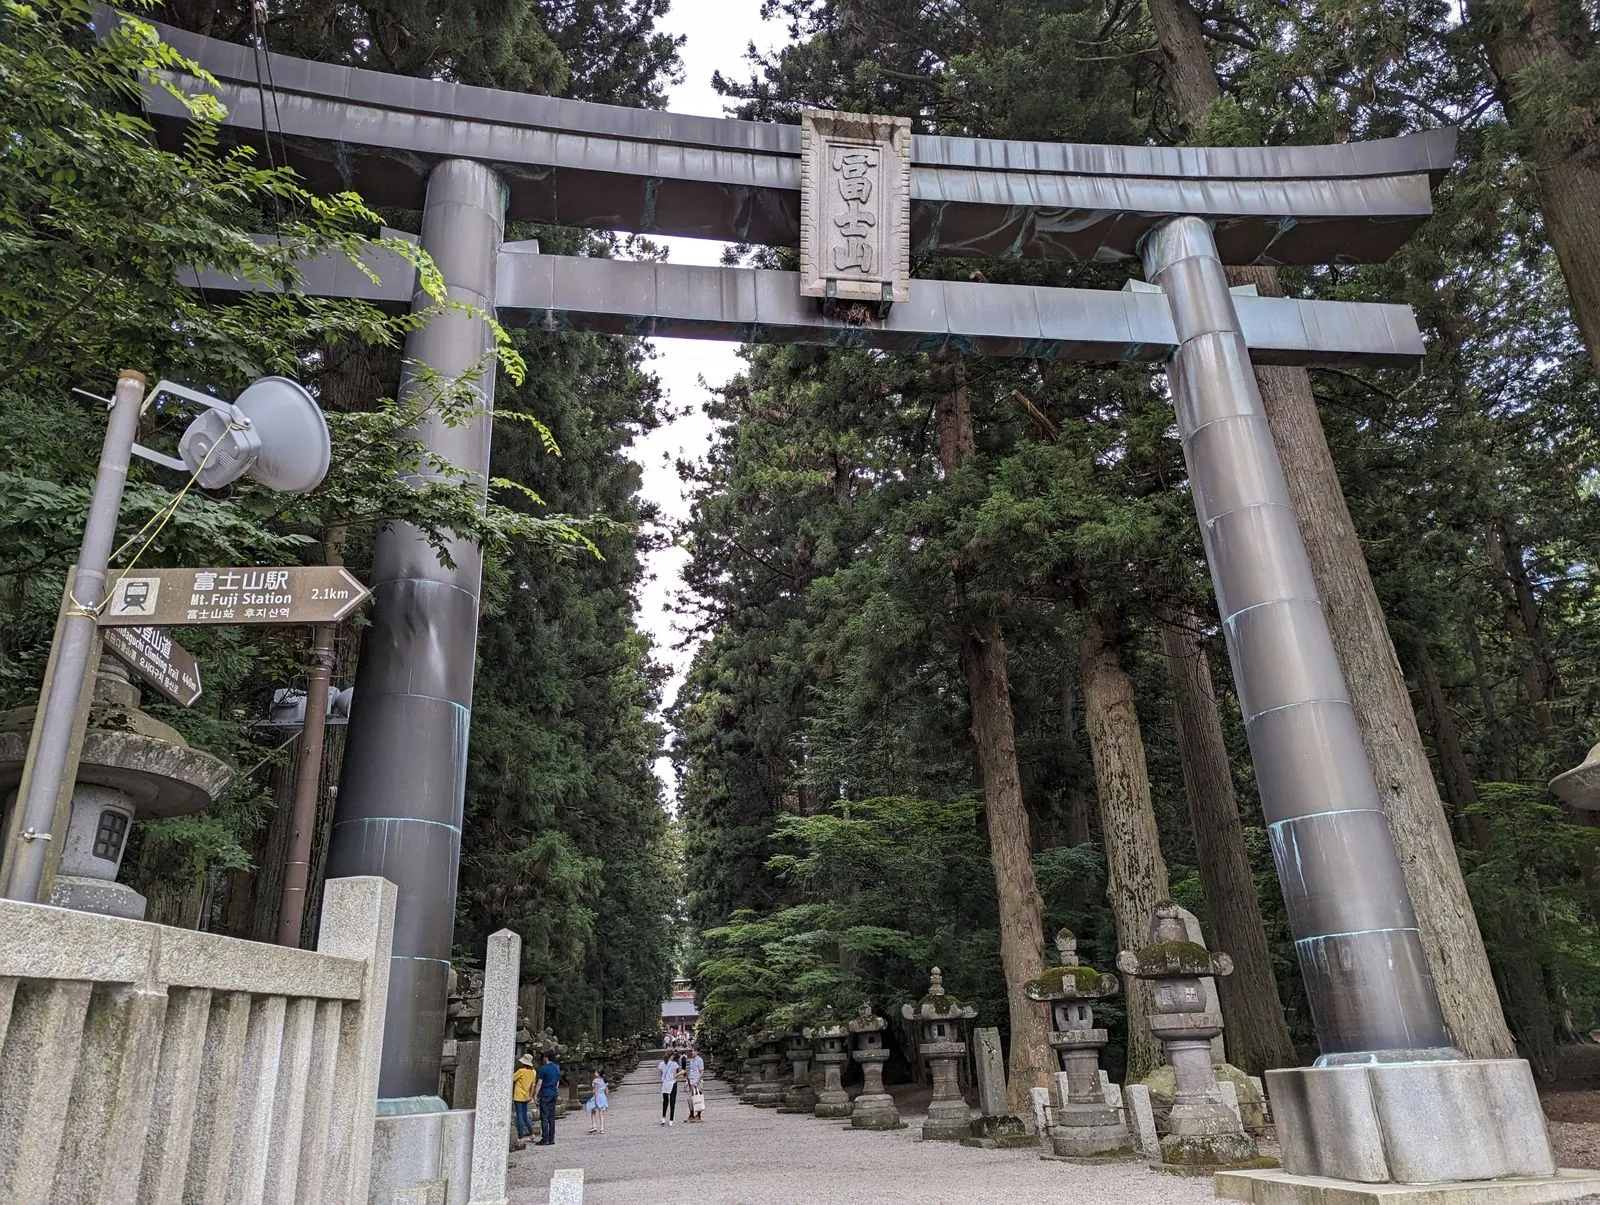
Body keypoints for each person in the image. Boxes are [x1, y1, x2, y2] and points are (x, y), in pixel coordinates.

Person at [535, 1050, 561, 1146]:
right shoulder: (557, 1068)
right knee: (551, 1117)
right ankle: (551, 1138)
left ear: (546, 1057)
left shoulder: (544, 1069)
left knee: (544, 1117)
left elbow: (539, 1083)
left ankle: (545, 1138)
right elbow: (557, 1082)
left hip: (546, 1093)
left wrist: (535, 1094)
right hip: (554, 1092)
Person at [512, 1053, 537, 1142]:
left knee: (519, 1115)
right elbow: (533, 1085)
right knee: (525, 1115)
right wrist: (531, 1096)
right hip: (527, 1095)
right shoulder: (533, 1072)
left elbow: (512, 1078)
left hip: (518, 1095)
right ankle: (532, 1133)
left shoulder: (521, 1071)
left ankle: (520, 1136)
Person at [658, 1050, 681, 1125]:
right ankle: (671, 1120)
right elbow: (674, 1075)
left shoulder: (661, 1064)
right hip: (672, 1083)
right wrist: (681, 1072)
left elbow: (661, 1074)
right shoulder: (674, 1064)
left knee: (665, 1102)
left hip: (665, 1084)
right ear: (671, 1056)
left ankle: (663, 1118)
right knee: (672, 1102)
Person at [685, 1046, 705, 1123]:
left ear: (697, 1052)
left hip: (697, 1082)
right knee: (690, 1099)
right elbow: (691, 1071)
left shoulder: (700, 1060)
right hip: (691, 1081)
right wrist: (687, 1081)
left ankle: (699, 1115)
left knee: (698, 1098)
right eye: (692, 1051)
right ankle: (691, 1114)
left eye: (694, 1051)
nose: (692, 1052)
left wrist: (697, 1081)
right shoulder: (691, 1060)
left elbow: (702, 1071)